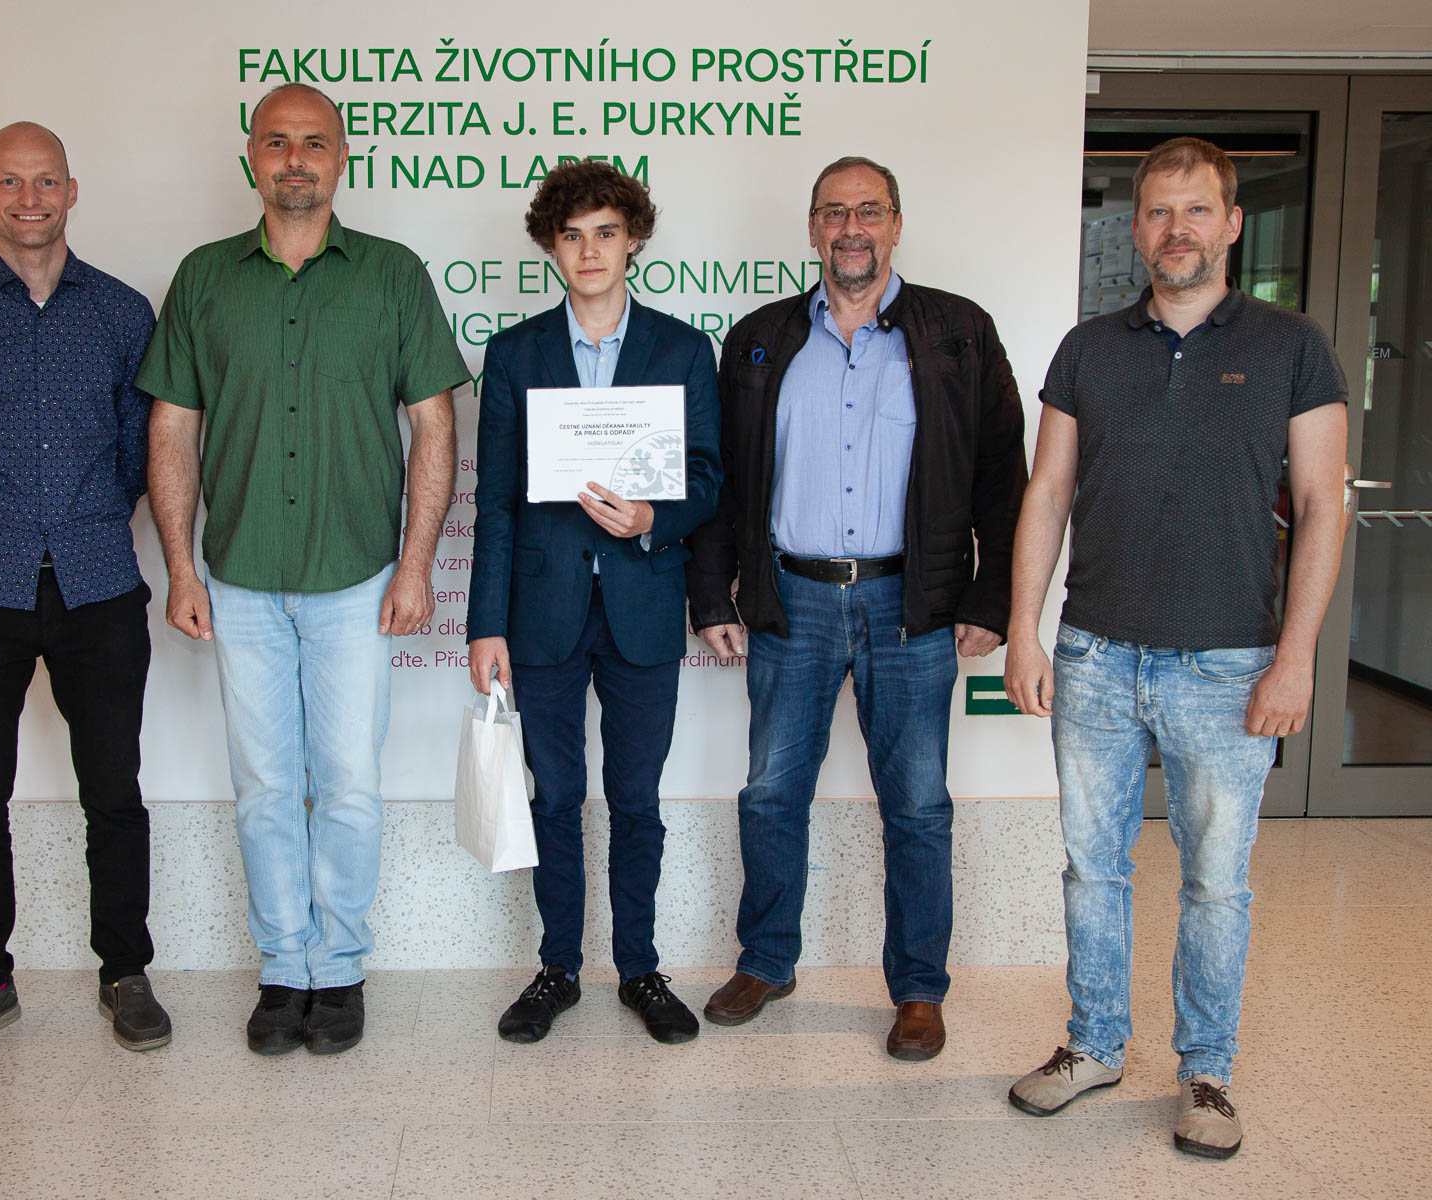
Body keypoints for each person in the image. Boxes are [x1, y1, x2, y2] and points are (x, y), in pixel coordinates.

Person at [1003, 137, 1347, 1159]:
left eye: (1197, 209)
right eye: (1158, 211)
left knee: (1216, 881)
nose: (1176, 229)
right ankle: (1094, 1045)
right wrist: (1025, 630)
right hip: (1097, 653)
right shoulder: (1088, 348)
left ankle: (1207, 1072)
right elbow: (1047, 493)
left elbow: (1323, 506)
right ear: (1137, 227)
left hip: (1228, 663)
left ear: (1232, 223)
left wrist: (1296, 657)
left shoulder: (1294, 347)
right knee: (1092, 868)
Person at [139, 83, 469, 1056]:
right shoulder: (204, 278)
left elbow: (434, 425)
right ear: (251, 158)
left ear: (342, 158)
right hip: (238, 578)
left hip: (358, 577)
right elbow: (172, 428)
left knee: (351, 785)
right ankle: (284, 967)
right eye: (277, 142)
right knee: (264, 787)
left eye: (314, 142)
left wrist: (416, 565)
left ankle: (343, 967)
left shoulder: (393, 275)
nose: (296, 159)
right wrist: (181, 568)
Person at [685, 156, 1027, 1059]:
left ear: (896, 224)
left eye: (868, 210)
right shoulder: (760, 339)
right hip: (790, 596)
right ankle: (766, 961)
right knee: (770, 794)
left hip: (912, 602)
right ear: (812, 229)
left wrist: (992, 596)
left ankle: (918, 989)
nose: (851, 228)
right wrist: (710, 591)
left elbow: (1004, 476)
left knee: (917, 806)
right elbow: (721, 481)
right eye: (834, 212)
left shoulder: (958, 333)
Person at [0, 121, 168, 1064]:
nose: (30, 199)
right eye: (12, 182)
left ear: (71, 190)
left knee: (115, 793)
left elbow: (140, 455)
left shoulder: (122, 312)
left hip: (99, 582)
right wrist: (7, 525)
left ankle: (125, 973)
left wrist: (79, 521)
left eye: (46, 181)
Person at [466, 162, 722, 1045]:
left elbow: (707, 478)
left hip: (643, 605)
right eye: (571, 235)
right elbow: (495, 501)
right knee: (555, 799)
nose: (589, 251)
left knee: (637, 801)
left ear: (634, 240)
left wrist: (655, 517)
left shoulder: (683, 350)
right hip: (542, 613)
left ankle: (640, 968)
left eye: (606, 232)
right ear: (551, 245)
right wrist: (485, 625)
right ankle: (558, 969)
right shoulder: (515, 353)